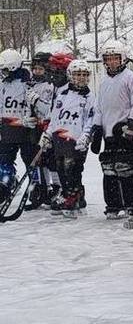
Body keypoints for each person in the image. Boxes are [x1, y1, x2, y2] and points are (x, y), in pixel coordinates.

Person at [91, 40, 133, 221]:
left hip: (125, 129)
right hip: (109, 132)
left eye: (116, 58)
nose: (112, 62)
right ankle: (114, 203)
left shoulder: (131, 78)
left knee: (127, 167)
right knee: (109, 168)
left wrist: (132, 124)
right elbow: (99, 107)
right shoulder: (104, 81)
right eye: (109, 59)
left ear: (122, 59)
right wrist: (97, 128)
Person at [38, 60, 95, 218]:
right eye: (77, 75)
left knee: (73, 169)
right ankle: (72, 195)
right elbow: (54, 118)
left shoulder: (89, 97)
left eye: (84, 75)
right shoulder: (62, 93)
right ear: (70, 75)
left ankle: (73, 196)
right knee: (61, 167)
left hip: (76, 140)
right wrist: (48, 133)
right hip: (59, 138)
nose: (81, 78)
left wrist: (86, 136)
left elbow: (90, 120)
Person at [0, 49, 36, 204]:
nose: (3, 73)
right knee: (4, 159)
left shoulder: (27, 83)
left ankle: (36, 189)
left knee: (30, 160)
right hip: (7, 130)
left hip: (25, 131)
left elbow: (34, 106)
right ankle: (6, 185)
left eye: (5, 69)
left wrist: (30, 118)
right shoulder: (2, 84)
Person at [23, 52, 55, 210]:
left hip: (46, 128)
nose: (36, 72)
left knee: (48, 160)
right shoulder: (29, 84)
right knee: (35, 160)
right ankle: (38, 190)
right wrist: (26, 118)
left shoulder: (50, 86)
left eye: (40, 69)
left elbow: (49, 109)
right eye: (34, 69)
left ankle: (51, 189)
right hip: (33, 129)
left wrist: (37, 100)